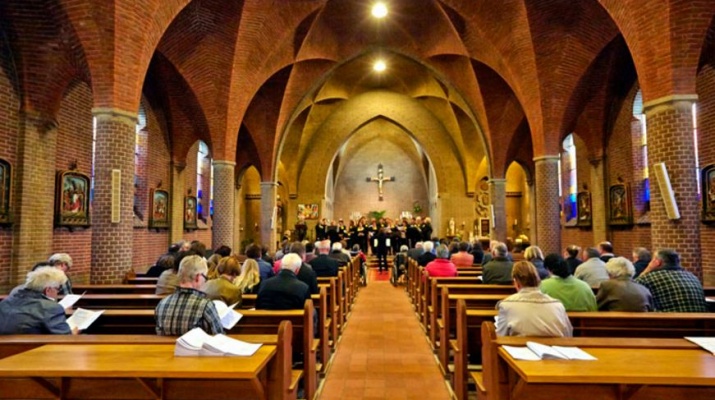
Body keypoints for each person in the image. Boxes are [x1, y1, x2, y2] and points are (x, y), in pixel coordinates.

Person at [495, 261, 572, 337]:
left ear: (517, 283)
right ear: (538, 281)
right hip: (553, 348)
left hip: (521, 349)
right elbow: (568, 334)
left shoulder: (507, 305)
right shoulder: (558, 305)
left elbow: (500, 336)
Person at [155, 255, 224, 336]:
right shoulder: (205, 305)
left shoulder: (162, 304)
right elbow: (219, 336)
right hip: (195, 348)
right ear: (198, 277)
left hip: (165, 348)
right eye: (205, 277)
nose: (205, 281)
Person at [0, 266, 78, 335]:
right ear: (48, 290)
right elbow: (64, 338)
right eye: (58, 289)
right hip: (30, 349)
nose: (57, 293)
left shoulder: (6, 301)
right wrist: (75, 332)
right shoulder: (50, 308)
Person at [635, 248, 708, 312]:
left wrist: (647, 270)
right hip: (701, 323)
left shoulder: (649, 278)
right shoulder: (693, 277)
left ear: (657, 262)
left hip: (671, 323)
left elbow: (632, 289)